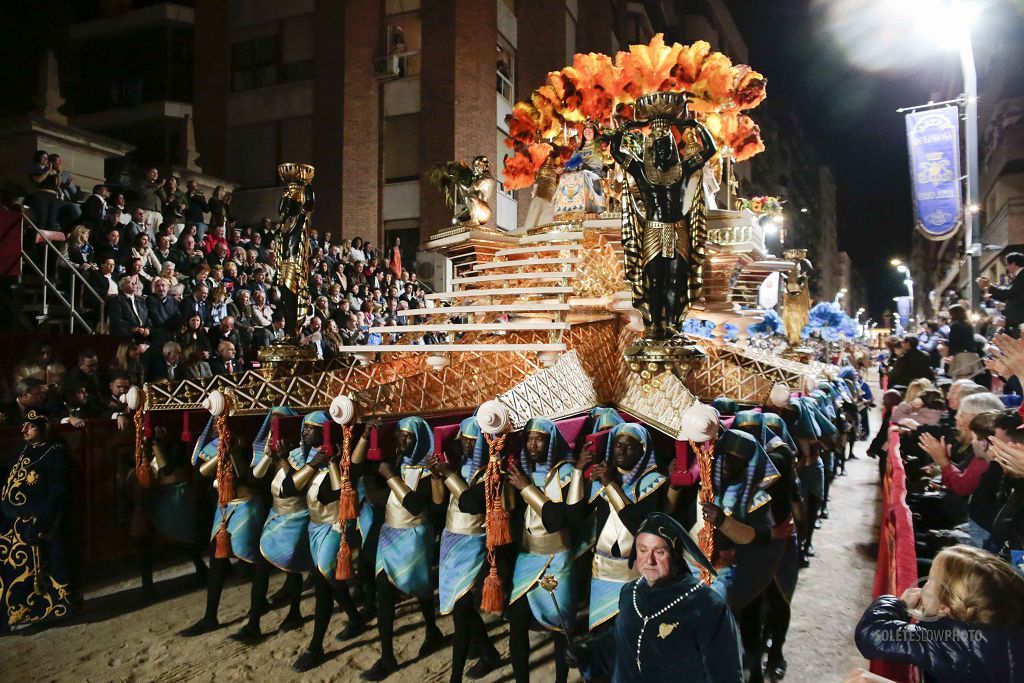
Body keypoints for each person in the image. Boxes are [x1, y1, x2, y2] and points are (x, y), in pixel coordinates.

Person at [577, 422, 668, 682]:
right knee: (600, 639)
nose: (622, 450)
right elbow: (574, 517)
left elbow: (638, 526)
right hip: (602, 575)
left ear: (643, 450)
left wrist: (610, 484)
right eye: (618, 444)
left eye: (630, 446)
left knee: (629, 642)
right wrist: (578, 471)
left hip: (634, 577)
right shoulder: (603, 476)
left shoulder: (654, 483)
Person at [855, 545, 1024, 681]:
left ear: (944, 608)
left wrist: (900, 604)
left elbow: (871, 633)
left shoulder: (946, 640)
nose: (924, 587)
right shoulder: (1009, 620)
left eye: (929, 582)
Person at [612, 512, 740, 682]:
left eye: (659, 552)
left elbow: (725, 675)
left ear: (674, 554)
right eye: (643, 550)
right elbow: (622, 643)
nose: (649, 560)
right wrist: (586, 653)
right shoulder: (630, 593)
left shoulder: (707, 606)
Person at [360, 417, 442, 681]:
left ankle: (432, 630)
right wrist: (364, 438)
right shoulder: (395, 461)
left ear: (419, 439)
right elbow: (356, 467)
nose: (402, 441)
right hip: (390, 533)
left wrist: (391, 477)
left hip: (415, 535)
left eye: (408, 437)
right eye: (399, 436)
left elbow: (415, 505)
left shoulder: (429, 470)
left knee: (419, 585)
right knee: (384, 589)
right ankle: (387, 657)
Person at [424, 418, 503, 683]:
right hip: (450, 542)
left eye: (472, 442)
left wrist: (447, 474)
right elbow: (438, 505)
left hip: (471, 546)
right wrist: (437, 476)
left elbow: (470, 503)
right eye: (464, 442)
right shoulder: (461, 468)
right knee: (464, 610)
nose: (467, 447)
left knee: (461, 612)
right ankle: (489, 653)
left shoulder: (492, 472)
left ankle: (454, 678)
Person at [504, 417, 581, 683]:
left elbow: (558, 520)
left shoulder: (567, 473)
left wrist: (526, 488)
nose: (533, 445)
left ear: (551, 443)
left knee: (560, 629)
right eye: (529, 439)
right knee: (517, 624)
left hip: (556, 559)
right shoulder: (523, 469)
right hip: (527, 557)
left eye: (540, 439)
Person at [180, 422, 267, 637]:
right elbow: (200, 476)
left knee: (254, 560)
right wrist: (219, 453)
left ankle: (256, 613)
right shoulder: (212, 445)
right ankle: (210, 616)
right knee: (217, 559)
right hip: (223, 506)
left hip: (246, 503)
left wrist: (234, 451)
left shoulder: (247, 443)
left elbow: (249, 476)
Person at [0, 409, 73, 630]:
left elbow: (57, 491)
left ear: (43, 428)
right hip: (12, 521)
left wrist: (41, 521)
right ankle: (13, 612)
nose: (23, 429)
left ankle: (44, 609)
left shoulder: (56, 453)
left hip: (39, 521)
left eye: (29, 426)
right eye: (24, 425)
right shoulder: (23, 450)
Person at [135, 426, 207, 596]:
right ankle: (147, 585)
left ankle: (203, 570)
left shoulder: (176, 446)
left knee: (185, 539)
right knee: (144, 538)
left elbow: (166, 469)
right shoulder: (142, 443)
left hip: (175, 495)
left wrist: (156, 445)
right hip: (153, 495)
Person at [980, 252, 1024, 338]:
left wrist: (989, 286)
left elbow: (1009, 293)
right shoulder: (1019, 275)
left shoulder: (1022, 275)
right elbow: (1009, 295)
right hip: (1015, 323)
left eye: (1007, 265)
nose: (1006, 267)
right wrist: (991, 293)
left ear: (1014, 264)